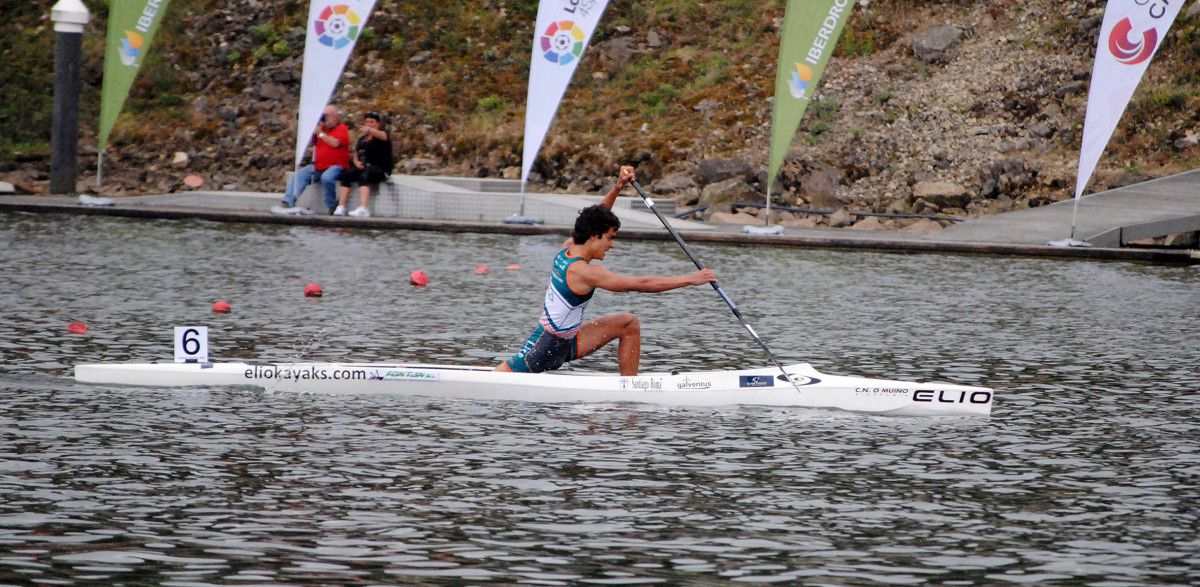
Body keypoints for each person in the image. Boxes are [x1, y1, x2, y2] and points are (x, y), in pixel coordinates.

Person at [496, 165, 717, 376]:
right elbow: (641, 284)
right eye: (610, 238)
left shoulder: (568, 248)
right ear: (594, 236)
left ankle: (630, 388)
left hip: (567, 342)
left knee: (628, 323)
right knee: (503, 374)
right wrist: (690, 279)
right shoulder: (585, 272)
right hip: (542, 351)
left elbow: (597, 216)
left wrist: (618, 186)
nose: (612, 245)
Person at [274, 105, 350, 215]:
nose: (324, 119)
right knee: (300, 175)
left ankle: (331, 205)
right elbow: (311, 142)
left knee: (327, 178)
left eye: (326, 116)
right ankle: (288, 201)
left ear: (334, 117)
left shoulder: (341, 129)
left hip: (336, 166)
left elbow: (335, 143)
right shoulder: (321, 129)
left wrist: (320, 133)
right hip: (319, 165)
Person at [334, 111, 394, 217]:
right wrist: (356, 162)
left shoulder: (383, 135)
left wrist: (370, 130)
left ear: (378, 124)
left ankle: (363, 208)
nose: (369, 124)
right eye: (367, 122)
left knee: (365, 175)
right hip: (364, 166)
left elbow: (383, 136)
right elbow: (356, 153)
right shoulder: (363, 139)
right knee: (347, 174)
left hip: (380, 168)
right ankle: (341, 206)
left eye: (372, 122)